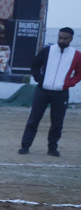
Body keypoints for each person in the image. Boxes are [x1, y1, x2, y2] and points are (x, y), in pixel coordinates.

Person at [19, 28, 80, 157]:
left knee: (57, 122)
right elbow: (34, 65)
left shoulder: (76, 55)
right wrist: (40, 79)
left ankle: (52, 148)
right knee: (33, 119)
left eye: (65, 38)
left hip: (61, 92)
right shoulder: (47, 50)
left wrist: (68, 83)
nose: (62, 40)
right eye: (60, 38)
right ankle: (25, 146)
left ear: (71, 39)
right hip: (42, 90)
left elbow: (79, 73)